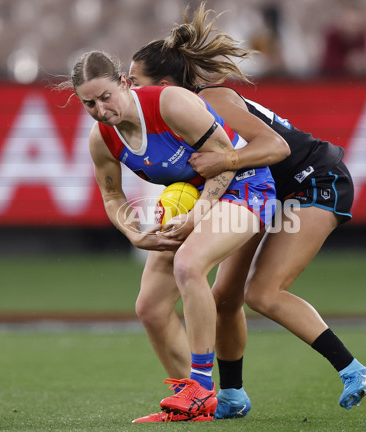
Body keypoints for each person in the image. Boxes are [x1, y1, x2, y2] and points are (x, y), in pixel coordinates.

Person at [128, 3, 366, 423]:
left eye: (137, 82)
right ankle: (231, 397)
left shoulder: (212, 100)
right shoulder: (172, 116)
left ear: (166, 84)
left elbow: (275, 149)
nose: (130, 91)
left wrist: (220, 164)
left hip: (313, 180)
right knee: (223, 298)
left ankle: (355, 371)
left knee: (263, 293)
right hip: (262, 193)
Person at [59, 49, 289, 422]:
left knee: (188, 264)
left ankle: (201, 387)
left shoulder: (170, 104)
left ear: (124, 83)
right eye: (89, 103)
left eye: (105, 97)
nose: (101, 110)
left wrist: (199, 213)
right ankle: (194, 403)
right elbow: (112, 195)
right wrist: (134, 233)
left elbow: (224, 159)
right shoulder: (102, 138)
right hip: (198, 198)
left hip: (245, 187)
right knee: (149, 307)